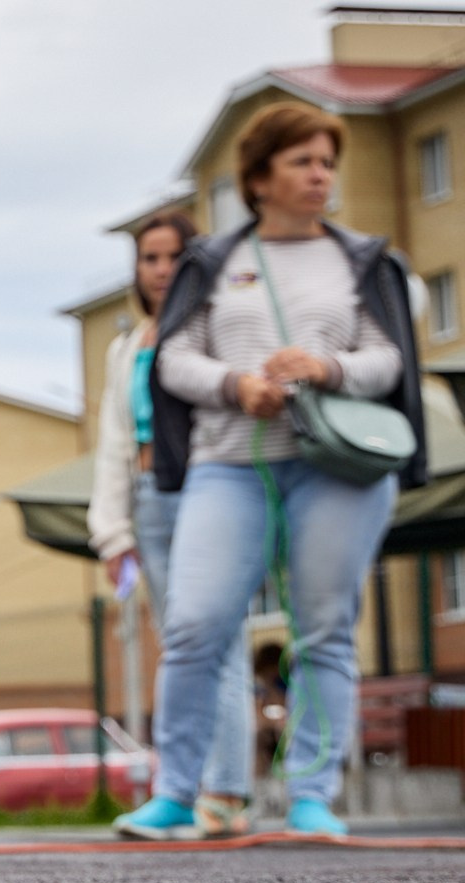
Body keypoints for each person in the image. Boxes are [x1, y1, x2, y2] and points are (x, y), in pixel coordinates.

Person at [126, 102, 426, 839]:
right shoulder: (214, 262)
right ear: (259, 178)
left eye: (327, 161)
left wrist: (327, 367)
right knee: (194, 623)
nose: (320, 174)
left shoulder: (363, 260)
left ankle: (310, 796)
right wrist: (238, 385)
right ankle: (174, 794)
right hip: (228, 463)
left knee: (324, 627)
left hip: (339, 465)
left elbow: (392, 358)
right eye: (303, 161)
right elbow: (173, 358)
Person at [86, 212, 257, 839]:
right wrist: (112, 530)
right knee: (179, 645)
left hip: (213, 491)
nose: (161, 269)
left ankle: (227, 792)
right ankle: (178, 793)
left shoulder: (219, 330)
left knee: (220, 639)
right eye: (149, 258)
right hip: (150, 500)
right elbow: (111, 440)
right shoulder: (125, 346)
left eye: (172, 256)